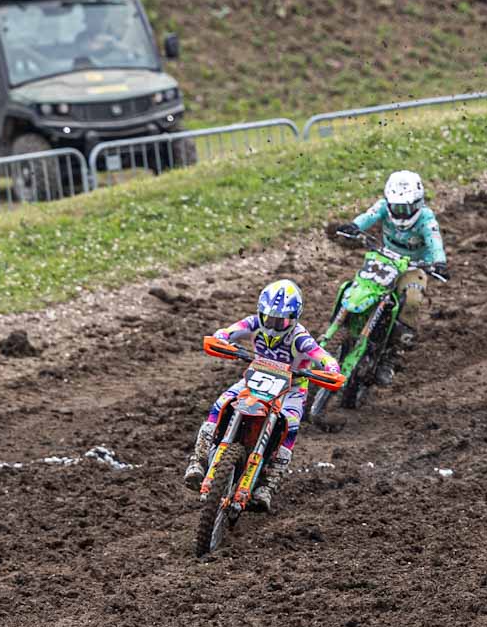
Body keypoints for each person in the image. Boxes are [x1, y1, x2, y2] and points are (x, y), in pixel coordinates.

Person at [183, 280, 342, 511]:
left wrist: (331, 368)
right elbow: (228, 331)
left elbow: (321, 355)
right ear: (261, 312)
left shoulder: (299, 337)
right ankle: (198, 460)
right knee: (221, 404)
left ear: (294, 318)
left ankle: (268, 483)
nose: (274, 325)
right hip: (257, 377)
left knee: (290, 425)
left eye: (281, 321)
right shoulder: (254, 323)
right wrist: (221, 338)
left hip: (292, 388)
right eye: (269, 318)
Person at [325, 171, 448, 383]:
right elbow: (369, 216)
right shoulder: (383, 206)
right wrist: (355, 226)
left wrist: (439, 262)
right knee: (356, 286)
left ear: (418, 203)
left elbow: (434, 240)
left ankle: (391, 356)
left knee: (412, 300)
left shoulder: (426, 219)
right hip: (385, 259)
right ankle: (339, 324)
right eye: (397, 208)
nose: (401, 214)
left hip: (414, 267)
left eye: (406, 208)